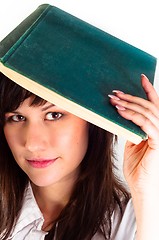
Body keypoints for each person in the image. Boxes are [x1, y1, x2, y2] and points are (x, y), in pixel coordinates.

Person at [0, 71, 159, 240]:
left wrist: (146, 191)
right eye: (17, 117)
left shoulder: (137, 223)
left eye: (54, 115)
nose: (32, 144)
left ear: (91, 120)